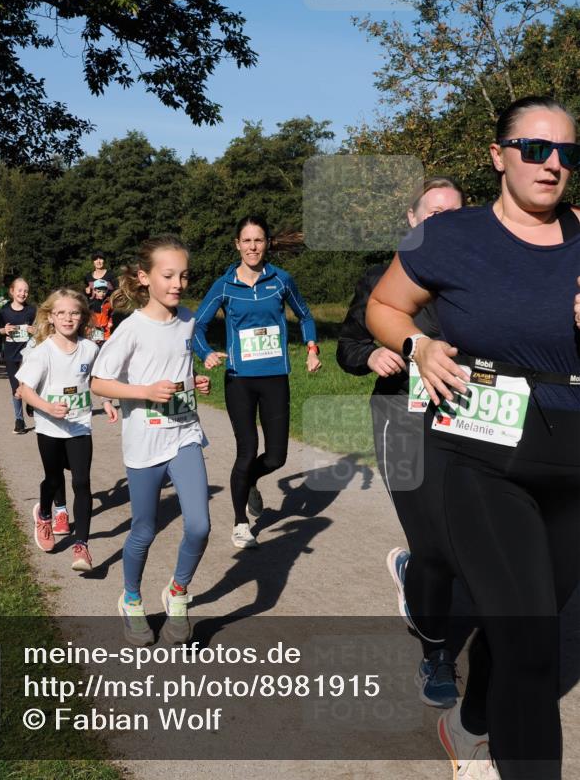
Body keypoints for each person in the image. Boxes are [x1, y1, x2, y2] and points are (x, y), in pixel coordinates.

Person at [366, 97, 580, 780]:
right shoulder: (449, 236)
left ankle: (472, 721)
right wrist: (418, 344)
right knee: (530, 640)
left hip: (572, 456)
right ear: (498, 156)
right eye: (535, 149)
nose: (553, 165)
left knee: (531, 624)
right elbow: (383, 305)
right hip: (479, 454)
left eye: (567, 154)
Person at [337, 176, 469, 709]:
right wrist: (369, 355)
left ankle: (413, 571)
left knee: (467, 537)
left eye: (454, 213)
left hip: (465, 419)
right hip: (400, 417)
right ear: (412, 219)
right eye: (433, 213)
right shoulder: (379, 278)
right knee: (436, 541)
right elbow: (349, 344)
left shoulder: (477, 279)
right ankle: (437, 653)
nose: (442, 221)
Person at [90, 235, 211, 647]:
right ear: (144, 278)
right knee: (144, 529)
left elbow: (175, 370)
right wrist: (144, 392)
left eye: (183, 275)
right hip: (145, 441)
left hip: (184, 434)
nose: (178, 283)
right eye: (168, 275)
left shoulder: (189, 320)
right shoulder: (130, 329)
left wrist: (192, 384)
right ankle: (131, 598)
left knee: (199, 525)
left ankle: (178, 593)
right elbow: (99, 381)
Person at [193, 214, 321, 549]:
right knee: (247, 450)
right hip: (240, 380)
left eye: (258, 240)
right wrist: (205, 353)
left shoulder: (281, 280)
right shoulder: (224, 286)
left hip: (275, 377)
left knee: (276, 457)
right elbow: (196, 327)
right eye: (247, 241)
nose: (252, 246)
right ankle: (240, 522)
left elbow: (305, 315)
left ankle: (248, 482)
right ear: (237, 245)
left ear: (267, 244)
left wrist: (311, 348)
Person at [16, 288, 117, 572]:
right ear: (50, 316)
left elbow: (96, 381)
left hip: (80, 426)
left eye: (74, 312)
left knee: (82, 482)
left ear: (83, 316)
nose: (68, 318)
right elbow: (25, 390)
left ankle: (82, 545)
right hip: (49, 428)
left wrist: (106, 401)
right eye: (61, 313)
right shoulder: (42, 350)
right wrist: (47, 408)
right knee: (52, 478)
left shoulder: (90, 348)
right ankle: (44, 514)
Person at [0, 277, 36, 434]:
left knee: (30, 385)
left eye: (26, 290)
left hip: (29, 355)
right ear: (12, 292)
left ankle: (32, 403)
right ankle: (19, 420)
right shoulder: (4, 311)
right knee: (16, 388)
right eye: (20, 290)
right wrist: (4, 330)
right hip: (11, 355)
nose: (23, 293)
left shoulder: (32, 310)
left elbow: (40, 329)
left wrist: (34, 330)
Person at [89, 279, 114, 346]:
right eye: (99, 291)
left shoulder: (108, 302)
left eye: (104, 291)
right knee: (96, 345)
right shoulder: (91, 303)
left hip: (106, 327)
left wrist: (110, 322)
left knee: (107, 345)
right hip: (96, 328)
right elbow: (87, 315)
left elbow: (111, 313)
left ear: (107, 291)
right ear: (94, 290)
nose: (101, 294)